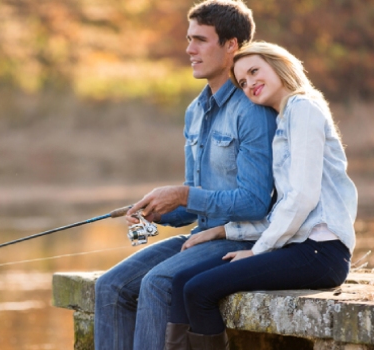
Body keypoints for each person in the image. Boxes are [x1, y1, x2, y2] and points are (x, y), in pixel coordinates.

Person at [93, 1, 278, 349]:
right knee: (110, 287)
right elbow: (195, 201)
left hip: (243, 240)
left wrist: (182, 195)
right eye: (188, 39)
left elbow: (255, 202)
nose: (189, 49)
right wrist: (157, 211)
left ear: (231, 46)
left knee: (157, 282)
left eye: (200, 40)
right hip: (201, 235)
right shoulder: (195, 111)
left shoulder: (252, 111)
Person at [164, 41, 358, 350]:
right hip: (300, 249)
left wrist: (259, 250)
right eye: (242, 82)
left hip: (322, 252)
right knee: (181, 282)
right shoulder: (283, 119)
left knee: (199, 290)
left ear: (279, 65)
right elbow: (282, 208)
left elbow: (303, 196)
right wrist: (222, 231)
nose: (249, 83)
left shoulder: (303, 107)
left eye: (255, 71)